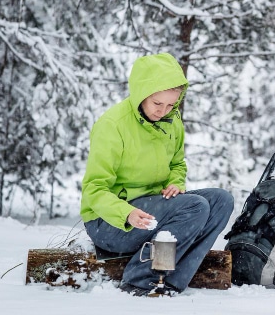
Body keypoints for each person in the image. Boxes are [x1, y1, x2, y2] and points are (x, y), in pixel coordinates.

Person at [80, 52, 234, 296]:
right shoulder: (113, 126)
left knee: (221, 201)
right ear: (141, 95)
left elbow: (177, 163)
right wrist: (126, 213)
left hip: (153, 210)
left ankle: (171, 280)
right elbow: (94, 189)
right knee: (196, 206)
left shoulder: (171, 121)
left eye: (171, 104)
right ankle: (139, 282)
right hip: (109, 223)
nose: (164, 111)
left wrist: (175, 182)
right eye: (157, 103)